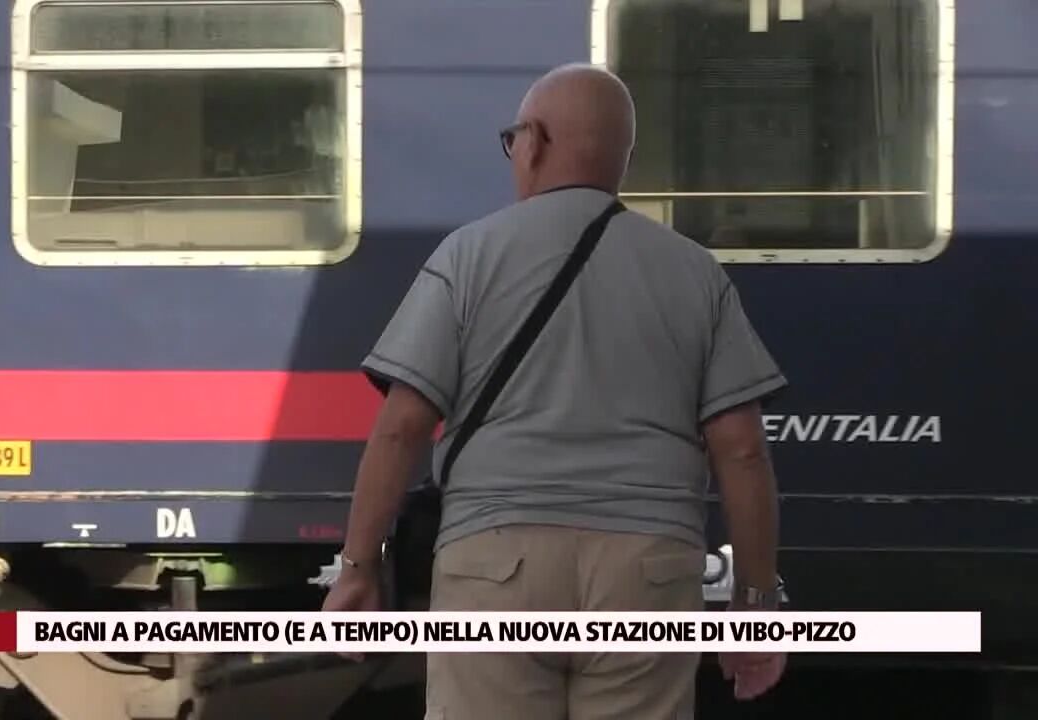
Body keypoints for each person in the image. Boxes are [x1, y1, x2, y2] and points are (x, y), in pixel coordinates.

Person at [321, 63, 787, 719]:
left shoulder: (467, 256)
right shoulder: (694, 272)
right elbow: (742, 452)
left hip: (495, 564)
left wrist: (360, 566)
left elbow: (401, 428)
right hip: (646, 570)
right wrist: (756, 604)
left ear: (534, 142)